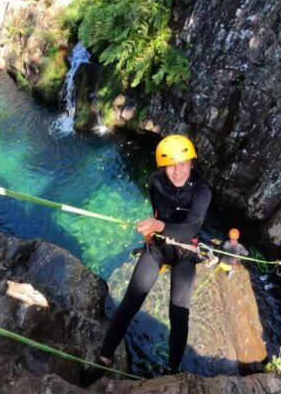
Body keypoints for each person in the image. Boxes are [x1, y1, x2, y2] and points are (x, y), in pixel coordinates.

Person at [82, 134, 211, 383]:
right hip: (158, 246)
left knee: (178, 312)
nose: (177, 171)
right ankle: (104, 358)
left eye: (183, 164)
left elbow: (190, 228)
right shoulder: (155, 181)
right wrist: (153, 230)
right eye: (171, 165)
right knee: (131, 300)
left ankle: (172, 370)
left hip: (185, 250)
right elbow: (156, 209)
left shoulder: (202, 191)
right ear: (162, 166)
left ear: (192, 163)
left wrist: (157, 225)